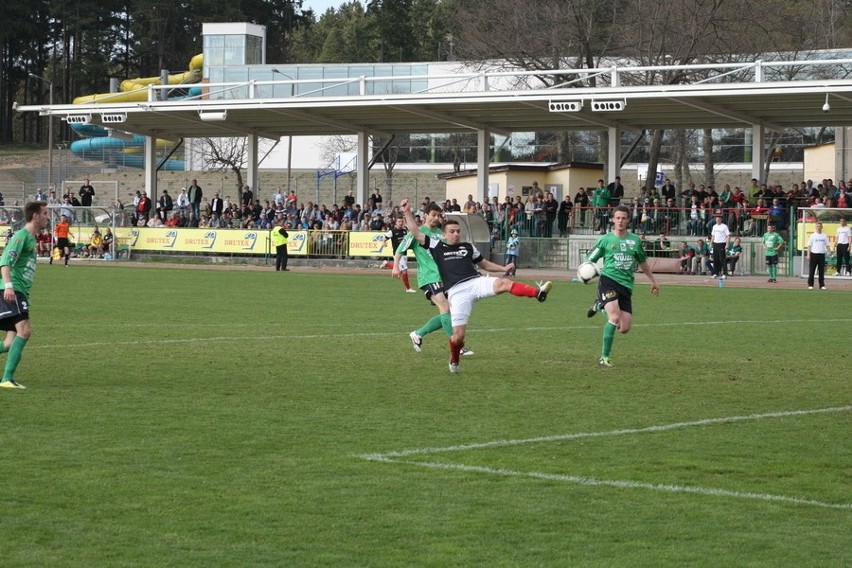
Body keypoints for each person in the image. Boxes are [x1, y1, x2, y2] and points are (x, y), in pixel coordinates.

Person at [400, 198, 552, 374]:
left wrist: (503, 268)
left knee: (504, 283)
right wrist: (407, 212)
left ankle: (537, 293)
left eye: (458, 231)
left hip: (476, 282)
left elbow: (485, 265)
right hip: (457, 293)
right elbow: (415, 232)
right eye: (452, 231)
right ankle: (454, 359)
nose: (456, 234)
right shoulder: (437, 246)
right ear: (445, 234)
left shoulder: (468, 247)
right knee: (458, 337)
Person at [394, 202, 474, 358]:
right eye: (433, 215)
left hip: (445, 278)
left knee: (449, 312)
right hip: (429, 277)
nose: (437, 218)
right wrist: (395, 266)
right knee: (445, 308)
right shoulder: (418, 233)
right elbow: (400, 249)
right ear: (426, 215)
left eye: (439, 215)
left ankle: (418, 334)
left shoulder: (440, 233)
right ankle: (459, 346)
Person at [584, 206, 660, 369]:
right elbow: (589, 259)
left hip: (626, 285)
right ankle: (604, 357)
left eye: (623, 218)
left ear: (628, 220)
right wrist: (587, 272)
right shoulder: (605, 240)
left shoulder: (635, 241)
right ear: (613, 219)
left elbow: (642, 263)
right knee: (615, 317)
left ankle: (600, 305)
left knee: (624, 328)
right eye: (617, 218)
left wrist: (653, 280)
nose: (620, 221)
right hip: (608, 280)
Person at [0, 201, 49, 389]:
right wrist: (10, 287)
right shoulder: (21, 236)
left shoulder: (31, 238)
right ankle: (6, 379)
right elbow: (5, 262)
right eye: (45, 213)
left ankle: (7, 379)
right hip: (13, 291)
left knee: (9, 343)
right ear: (35, 216)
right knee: (25, 331)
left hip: (18, 292)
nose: (47, 217)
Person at [383, 217, 415, 292]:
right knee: (404, 270)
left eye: (402, 221)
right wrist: (383, 242)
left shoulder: (404, 231)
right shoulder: (392, 231)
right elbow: (385, 237)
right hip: (397, 254)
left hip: (404, 253)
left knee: (400, 270)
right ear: (396, 223)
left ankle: (386, 264)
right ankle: (408, 288)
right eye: (399, 221)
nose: (400, 223)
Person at [806, 222, 830, 289]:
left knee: (821, 271)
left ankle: (822, 285)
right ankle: (810, 285)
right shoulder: (812, 235)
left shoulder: (824, 236)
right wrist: (808, 255)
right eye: (817, 226)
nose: (819, 227)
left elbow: (827, 246)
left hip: (821, 255)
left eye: (820, 226)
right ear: (815, 227)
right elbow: (809, 246)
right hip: (814, 255)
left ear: (822, 227)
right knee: (812, 271)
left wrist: (830, 253)